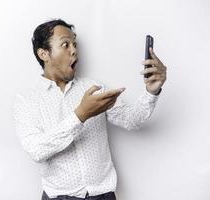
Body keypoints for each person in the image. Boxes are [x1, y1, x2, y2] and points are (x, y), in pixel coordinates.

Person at [13, 19, 167, 200]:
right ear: (44, 54)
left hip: (103, 196)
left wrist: (152, 90)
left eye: (74, 44)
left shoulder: (93, 87)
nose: (74, 50)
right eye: (65, 44)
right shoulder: (26, 100)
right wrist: (80, 115)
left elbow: (131, 120)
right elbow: (36, 150)